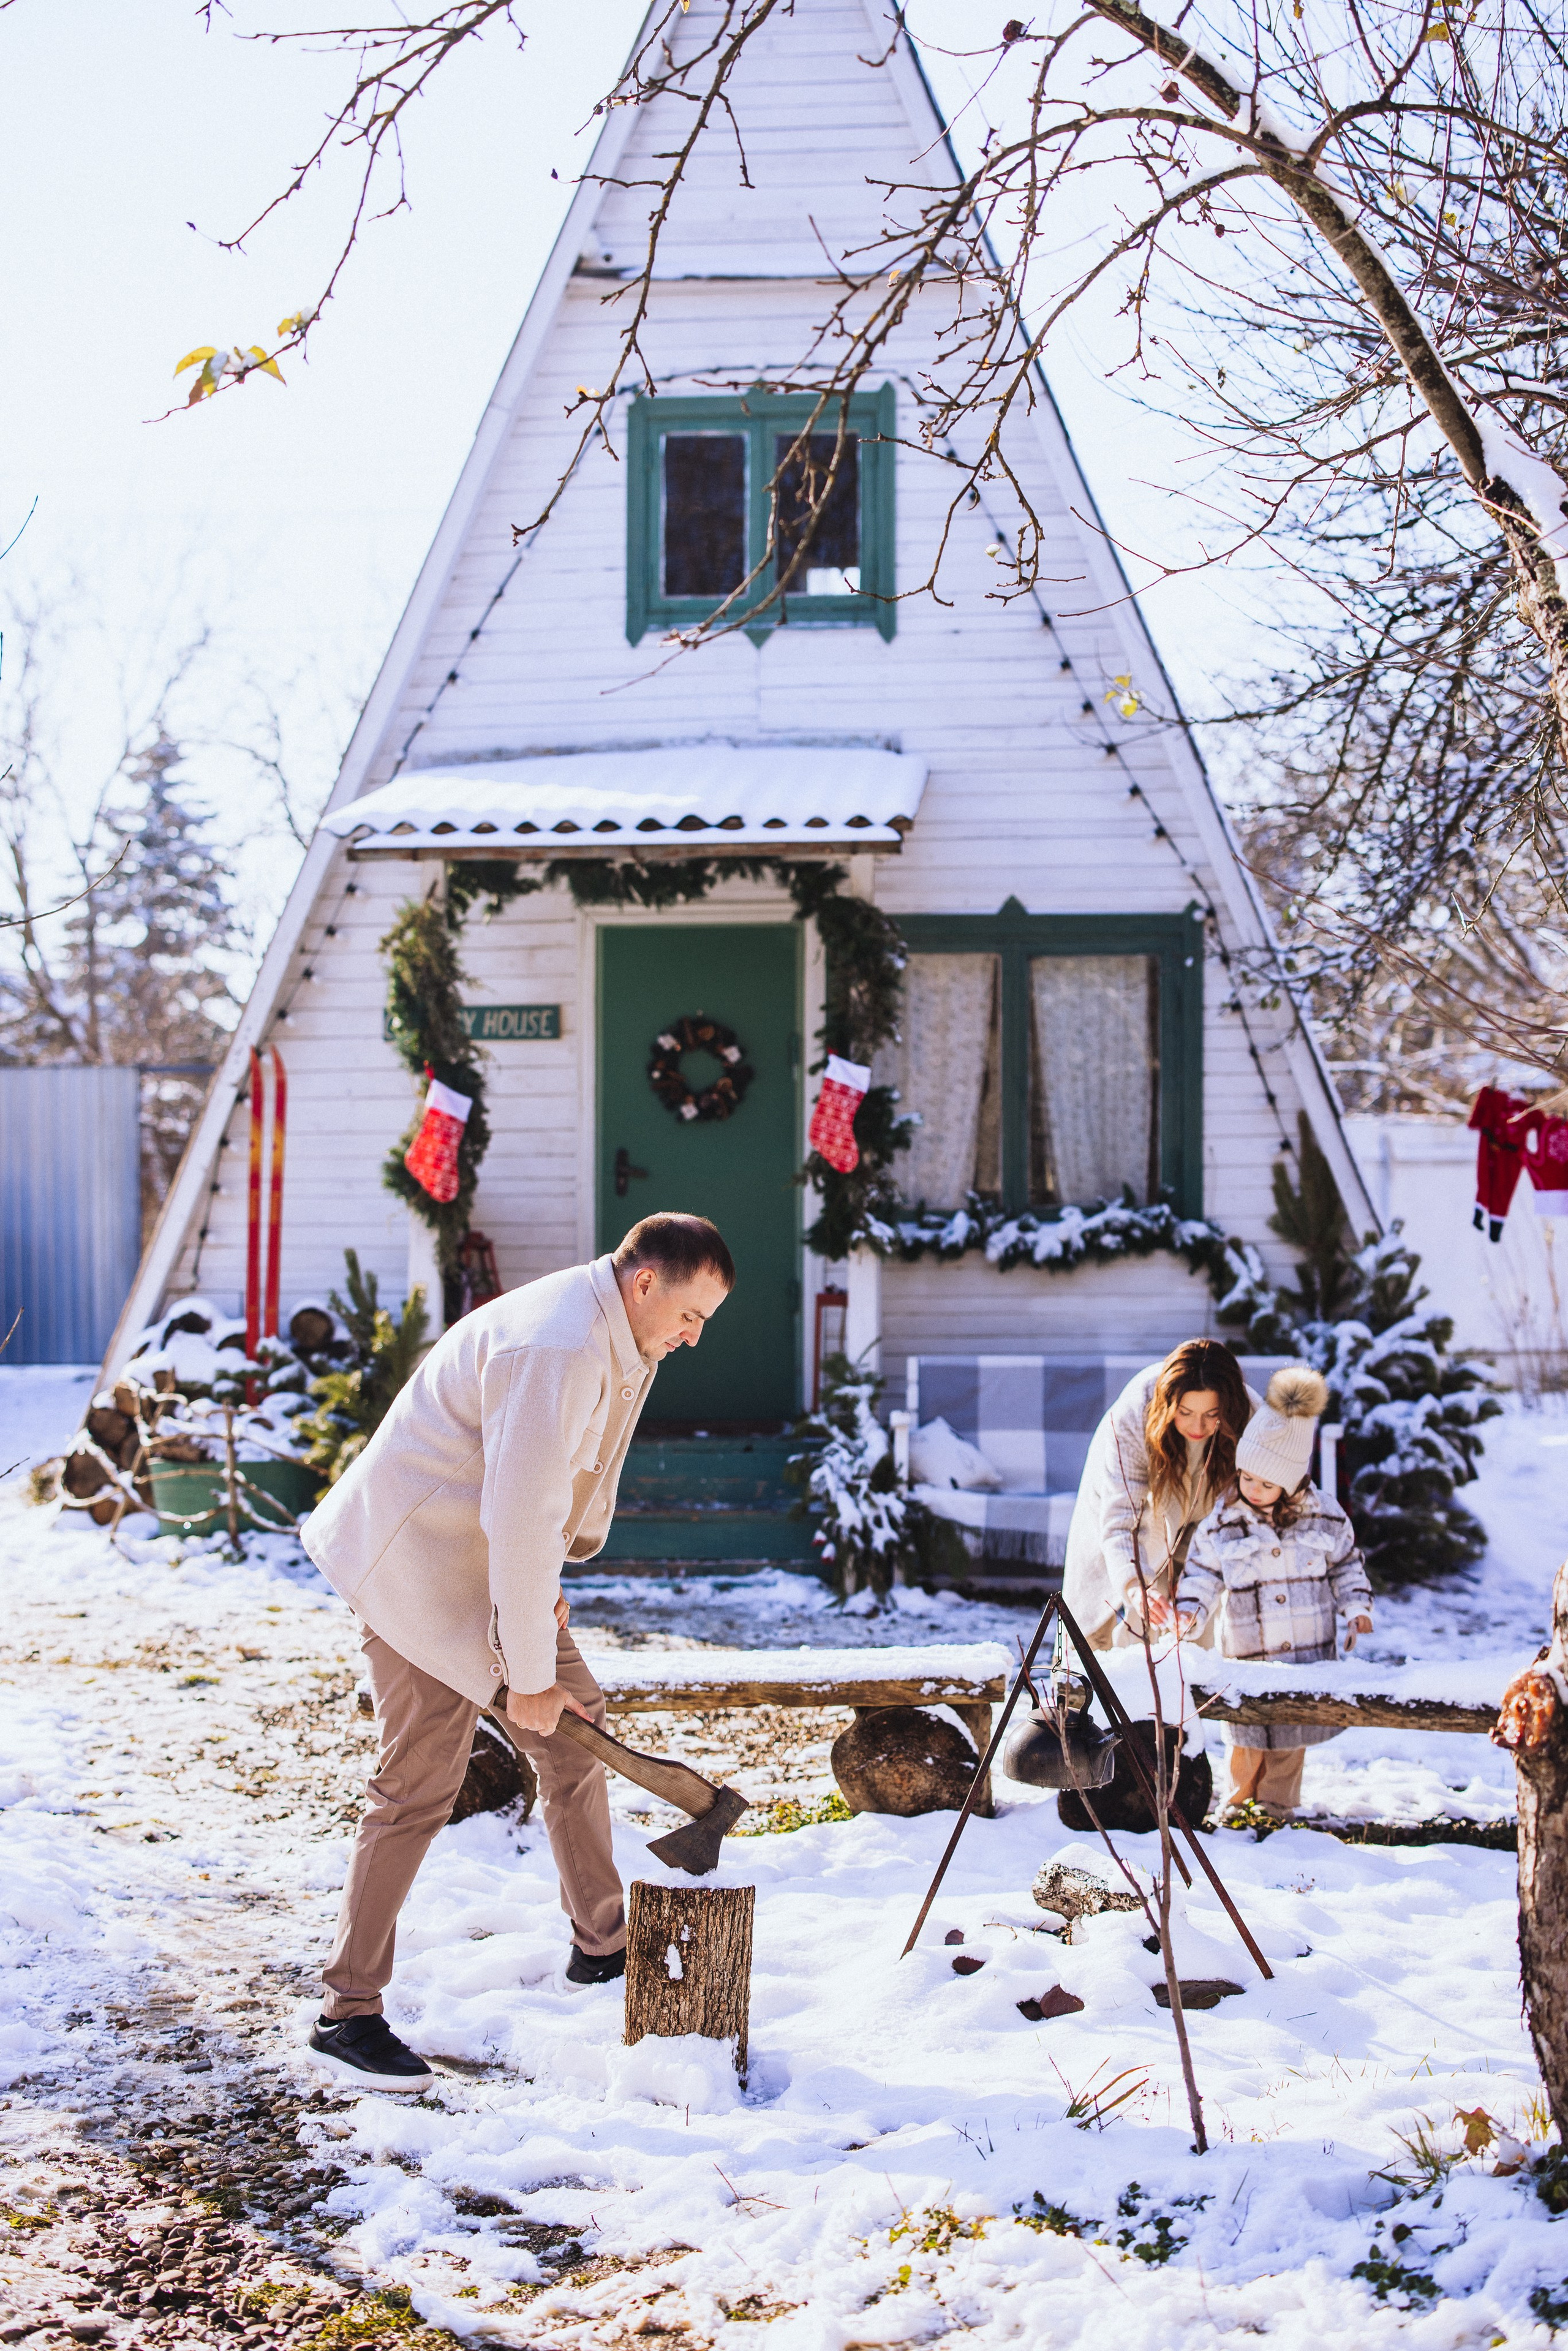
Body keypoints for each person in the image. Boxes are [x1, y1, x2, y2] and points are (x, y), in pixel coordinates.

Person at [298, 1211, 734, 2092]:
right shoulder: (559, 1344)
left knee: (576, 1738)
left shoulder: (620, 1336)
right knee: (419, 1779)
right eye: (691, 1314)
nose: (693, 1337)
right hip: (413, 1564)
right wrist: (526, 1673)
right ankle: (348, 2011)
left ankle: (602, 1943)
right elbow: (518, 1514)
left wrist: (533, 1610)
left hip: (483, 1563)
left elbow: (546, 1492)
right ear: (646, 1282)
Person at [1174, 1365, 1373, 1817]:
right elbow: (1203, 1572)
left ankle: (1279, 1810)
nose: (1254, 1490)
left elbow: (1346, 1563)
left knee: (1288, 1741)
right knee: (1246, 1739)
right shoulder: (1225, 1519)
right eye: (1247, 1478)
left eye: (1267, 1483)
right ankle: (1240, 1805)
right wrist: (1191, 1611)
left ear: (1293, 1481)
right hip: (1249, 1656)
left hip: (1305, 1655)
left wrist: (1356, 1607)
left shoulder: (1325, 1516)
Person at [1062, 1339, 1259, 1649]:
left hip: (1206, 1514)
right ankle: (1084, 1684)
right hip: (1136, 1508)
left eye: (1212, 1413)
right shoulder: (1133, 1416)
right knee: (1098, 1615)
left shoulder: (1249, 1415)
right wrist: (1135, 1585)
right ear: (1168, 1405)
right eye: (1185, 1412)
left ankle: (1188, 1687)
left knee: (1193, 1619)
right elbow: (1122, 1520)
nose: (1199, 1426)